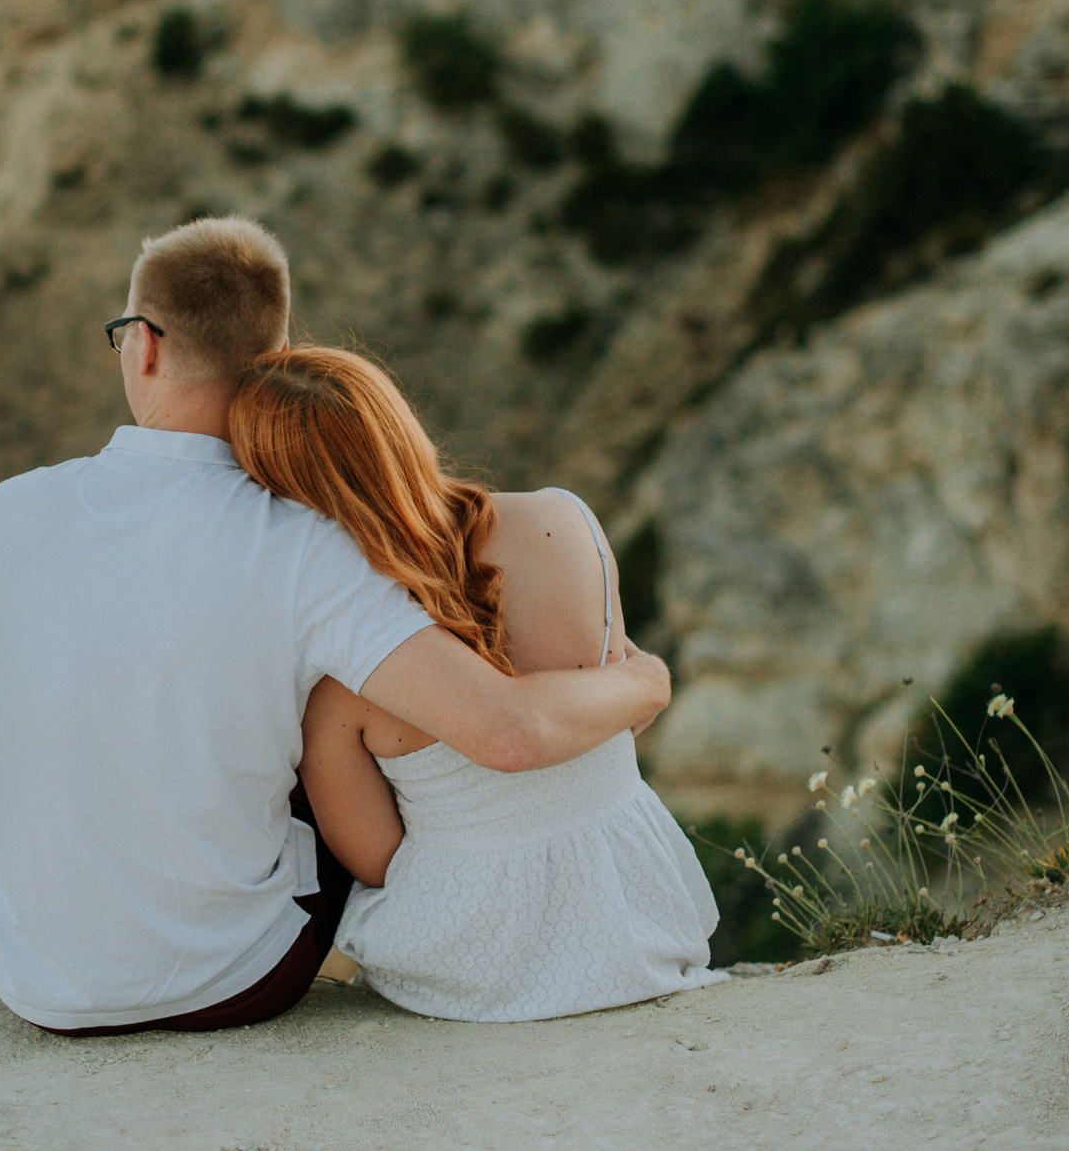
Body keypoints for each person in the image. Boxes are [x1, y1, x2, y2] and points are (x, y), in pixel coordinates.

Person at [0, 218, 673, 1035]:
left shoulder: (8, 511)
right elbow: (504, 732)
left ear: (144, 346)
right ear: (278, 353)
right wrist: (647, 677)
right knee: (319, 693)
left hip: (28, 973)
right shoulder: (312, 548)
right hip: (231, 981)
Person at [229, 345, 722, 1021]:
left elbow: (378, 860)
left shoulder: (337, 678)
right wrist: (651, 677)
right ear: (399, 428)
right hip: (636, 906)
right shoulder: (564, 521)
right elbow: (618, 720)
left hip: (474, 959)